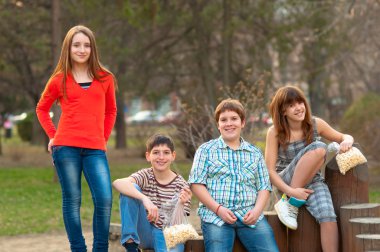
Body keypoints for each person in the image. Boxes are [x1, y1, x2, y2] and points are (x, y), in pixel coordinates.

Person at [36, 25, 117, 252]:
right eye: (77, 45)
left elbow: (111, 111)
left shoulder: (105, 78)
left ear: (93, 49)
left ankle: (100, 249)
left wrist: (102, 138)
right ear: (68, 48)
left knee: (104, 199)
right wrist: (53, 136)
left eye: (87, 45)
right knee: (72, 202)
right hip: (66, 148)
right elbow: (42, 109)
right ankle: (78, 249)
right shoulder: (59, 79)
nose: (82, 50)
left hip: (95, 149)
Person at [265, 85, 354, 252]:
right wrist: (291, 192)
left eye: (300, 102)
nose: (298, 108)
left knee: (328, 214)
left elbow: (343, 136)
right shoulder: (275, 132)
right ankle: (289, 203)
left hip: (313, 180)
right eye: (291, 105)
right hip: (286, 180)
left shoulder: (315, 123)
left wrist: (347, 140)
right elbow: (269, 171)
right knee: (320, 147)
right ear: (283, 111)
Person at [188, 98, 279, 252]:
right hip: (215, 216)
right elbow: (196, 184)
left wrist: (257, 211)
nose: (229, 123)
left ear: (242, 122)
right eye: (223, 120)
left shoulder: (254, 153)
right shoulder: (206, 150)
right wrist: (218, 209)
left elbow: (264, 186)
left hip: (249, 215)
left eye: (234, 119)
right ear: (218, 125)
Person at [113, 134, 192, 252]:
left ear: (173, 156)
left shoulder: (181, 185)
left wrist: (181, 204)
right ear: (148, 156)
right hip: (145, 231)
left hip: (167, 233)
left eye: (166, 152)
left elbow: (177, 227)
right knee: (130, 189)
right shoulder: (145, 175)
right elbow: (118, 183)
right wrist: (145, 199)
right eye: (156, 152)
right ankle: (131, 246)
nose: (161, 157)